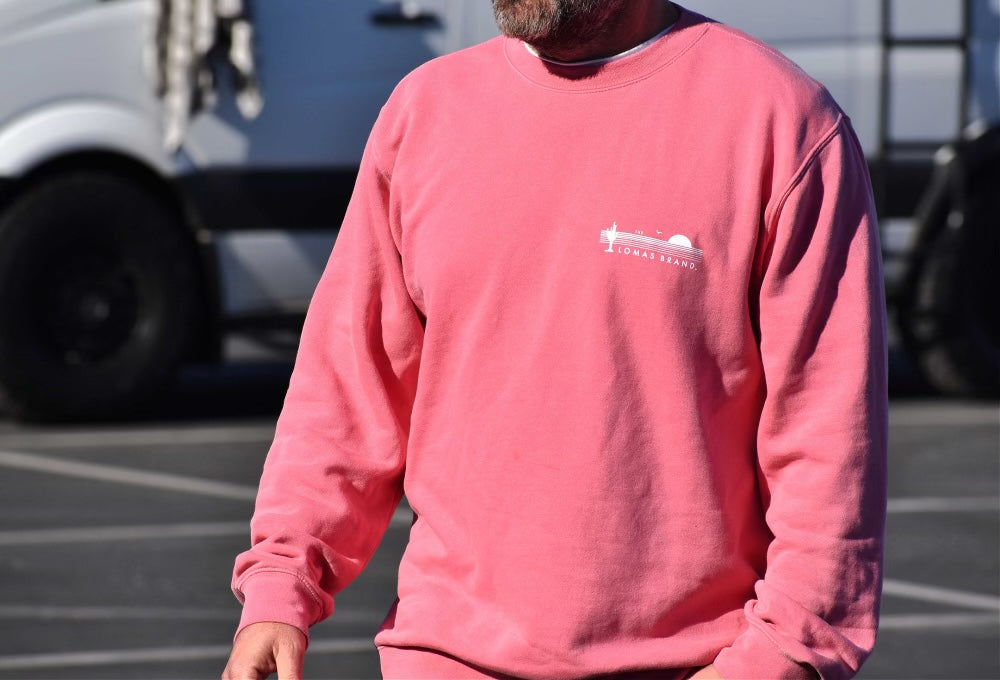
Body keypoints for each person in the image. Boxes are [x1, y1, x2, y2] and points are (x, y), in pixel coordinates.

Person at [222, 1, 888, 678]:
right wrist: (280, 585)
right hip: (446, 658)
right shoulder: (425, 113)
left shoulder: (783, 124)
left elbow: (829, 444)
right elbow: (345, 391)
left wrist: (778, 657)